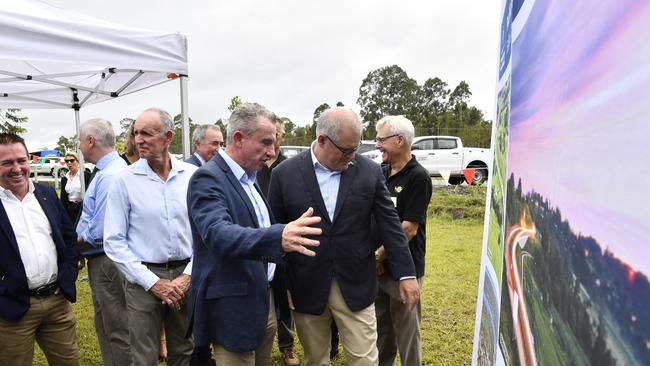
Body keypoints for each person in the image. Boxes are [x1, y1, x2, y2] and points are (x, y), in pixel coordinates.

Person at [268, 107, 420, 366]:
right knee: (316, 359)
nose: (352, 158)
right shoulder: (284, 175)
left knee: (365, 360)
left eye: (356, 149)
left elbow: (391, 225)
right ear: (323, 140)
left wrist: (406, 274)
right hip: (305, 284)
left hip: (356, 281)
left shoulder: (369, 172)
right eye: (347, 150)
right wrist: (284, 286)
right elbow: (275, 232)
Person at [187, 102, 321, 366]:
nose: (272, 152)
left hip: (263, 298)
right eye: (266, 143)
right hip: (233, 305)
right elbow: (217, 233)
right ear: (238, 138)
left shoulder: (250, 177)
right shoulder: (208, 178)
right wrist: (277, 237)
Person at [104, 108, 196, 366]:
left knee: (185, 352)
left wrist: (187, 277)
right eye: (136, 133)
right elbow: (113, 241)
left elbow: (203, 233)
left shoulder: (191, 177)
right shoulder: (123, 181)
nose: (139, 140)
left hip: (184, 276)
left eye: (146, 133)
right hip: (143, 279)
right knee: (143, 356)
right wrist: (153, 283)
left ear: (168, 137)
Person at [0, 133, 79, 366]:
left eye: (21, 160)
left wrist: (68, 276)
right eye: (7, 163)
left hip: (57, 304)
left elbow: (68, 238)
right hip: (12, 308)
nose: (17, 168)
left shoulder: (45, 194)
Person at [373, 116, 432, 366]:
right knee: (381, 330)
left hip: (404, 270)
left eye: (380, 140)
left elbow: (408, 229)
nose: (376, 145)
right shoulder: (381, 172)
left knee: (407, 334)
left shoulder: (418, 177)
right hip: (380, 268)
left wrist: (378, 255)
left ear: (399, 140)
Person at [76, 118, 131, 366]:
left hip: (107, 260)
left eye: (80, 140)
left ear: (90, 141)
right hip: (102, 259)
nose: (79, 146)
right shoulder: (109, 171)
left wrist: (74, 243)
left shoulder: (110, 176)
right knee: (107, 325)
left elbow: (101, 229)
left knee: (118, 329)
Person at [59, 151, 90, 221]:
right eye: (67, 161)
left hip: (82, 208)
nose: (69, 163)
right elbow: (63, 198)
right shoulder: (64, 178)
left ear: (78, 162)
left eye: (72, 160)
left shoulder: (85, 175)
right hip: (69, 209)